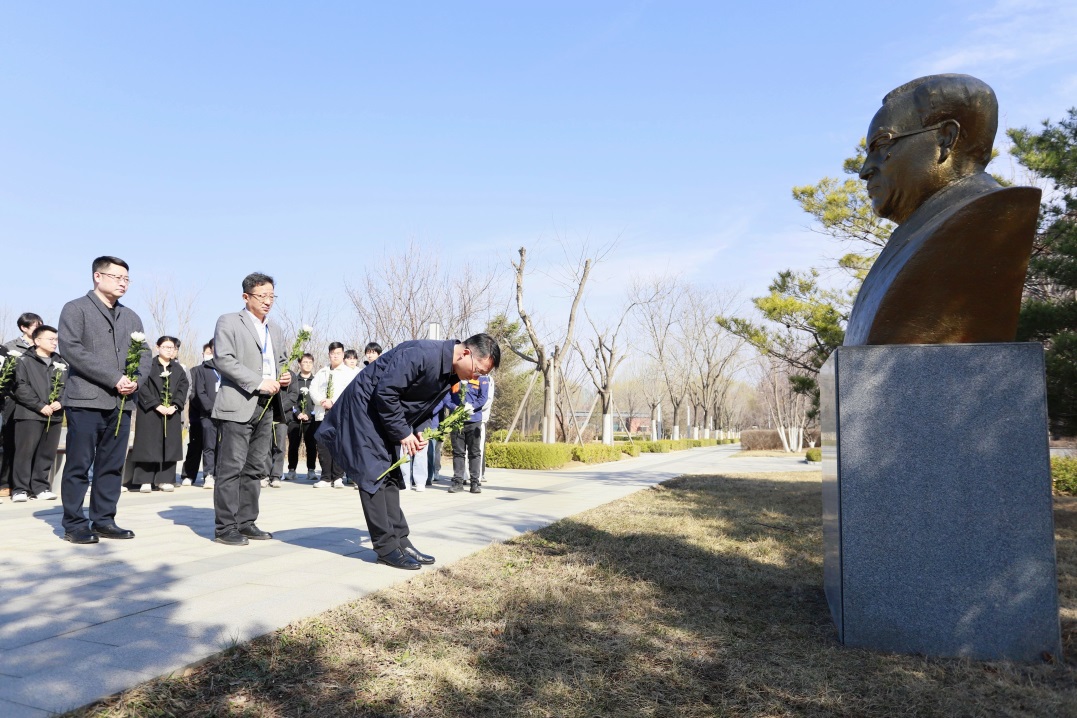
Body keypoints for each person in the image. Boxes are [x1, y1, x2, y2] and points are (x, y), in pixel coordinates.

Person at [847, 74, 1041, 346]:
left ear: (946, 138)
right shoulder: (915, 234)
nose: (865, 170)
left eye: (881, 145)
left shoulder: (985, 218)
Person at [316, 333, 500, 570]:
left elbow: (426, 405)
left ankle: (401, 541)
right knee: (373, 477)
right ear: (465, 353)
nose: (476, 377)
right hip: (363, 412)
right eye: (478, 371)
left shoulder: (450, 371)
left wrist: (421, 431)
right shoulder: (421, 354)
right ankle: (385, 547)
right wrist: (404, 432)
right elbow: (386, 392)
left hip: (383, 416)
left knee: (390, 477)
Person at [58, 256, 150, 543]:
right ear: (98, 276)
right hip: (86, 400)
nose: (123, 283)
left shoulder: (131, 316)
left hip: (122, 403)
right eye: (117, 277)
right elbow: (72, 350)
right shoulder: (76, 309)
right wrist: (114, 378)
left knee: (112, 465)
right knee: (79, 464)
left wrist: (136, 380)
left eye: (127, 279)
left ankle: (104, 520)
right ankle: (74, 523)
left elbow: (145, 352)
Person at [210, 272, 291, 546]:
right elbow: (224, 360)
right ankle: (225, 527)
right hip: (238, 403)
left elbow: (281, 360)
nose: (268, 301)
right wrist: (258, 382)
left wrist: (285, 375)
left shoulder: (275, 329)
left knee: (256, 467)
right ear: (246, 297)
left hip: (267, 405)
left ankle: (246, 522)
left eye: (272, 296)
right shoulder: (229, 321)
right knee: (231, 466)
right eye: (262, 296)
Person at [10, 325, 65, 502]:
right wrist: (39, 405)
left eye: (56, 339)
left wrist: (61, 401)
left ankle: (40, 487)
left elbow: (69, 386)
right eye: (51, 339)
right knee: (24, 452)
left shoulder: (62, 363)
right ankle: (20, 489)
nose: (54, 343)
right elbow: (20, 387)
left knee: (46, 453)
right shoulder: (23, 360)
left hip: (54, 415)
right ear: (37, 340)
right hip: (29, 414)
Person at [130, 336, 190, 493]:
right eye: (166, 347)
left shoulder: (178, 369)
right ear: (157, 347)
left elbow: (183, 388)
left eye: (172, 348)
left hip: (171, 412)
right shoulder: (148, 366)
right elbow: (142, 386)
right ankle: (145, 480)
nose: (170, 350)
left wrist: (175, 405)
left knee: (169, 444)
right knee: (148, 444)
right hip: (150, 411)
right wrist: (156, 404)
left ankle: (165, 479)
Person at [1, 312, 43, 498]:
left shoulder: (42, 347)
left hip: (37, 401)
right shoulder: (10, 347)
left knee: (34, 445)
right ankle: (6, 483)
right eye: (35, 326)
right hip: (14, 400)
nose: (39, 328)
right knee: (10, 441)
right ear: (23, 328)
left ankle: (32, 485)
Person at [309, 342, 357, 488]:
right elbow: (312, 389)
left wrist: (333, 402)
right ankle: (325, 477)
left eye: (338, 353)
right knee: (323, 446)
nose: (335, 356)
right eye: (332, 353)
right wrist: (321, 400)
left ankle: (337, 477)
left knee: (339, 445)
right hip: (322, 412)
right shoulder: (322, 372)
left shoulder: (349, 373)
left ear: (343, 355)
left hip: (340, 413)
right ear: (329, 355)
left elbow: (350, 392)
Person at [447, 374, 490, 494]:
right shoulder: (454, 377)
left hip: (474, 420)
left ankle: (474, 483)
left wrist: (471, 407)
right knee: (458, 453)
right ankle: (458, 483)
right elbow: (446, 397)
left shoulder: (481, 378)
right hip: (456, 420)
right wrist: (454, 407)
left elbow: (483, 397)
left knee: (474, 453)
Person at [191, 341, 220, 489]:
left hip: (227, 414)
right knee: (209, 446)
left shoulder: (229, 368)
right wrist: (210, 408)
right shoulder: (203, 369)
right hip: (208, 415)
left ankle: (220, 475)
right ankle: (208, 475)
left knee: (224, 447)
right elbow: (200, 392)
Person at [284, 353, 318, 481]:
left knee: (311, 445)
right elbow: (290, 397)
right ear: (299, 364)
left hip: (311, 418)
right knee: (293, 445)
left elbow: (317, 400)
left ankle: (311, 470)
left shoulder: (316, 380)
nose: (307, 365)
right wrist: (297, 412)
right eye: (305, 362)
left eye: (310, 362)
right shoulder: (293, 380)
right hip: (294, 418)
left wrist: (309, 414)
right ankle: (292, 470)